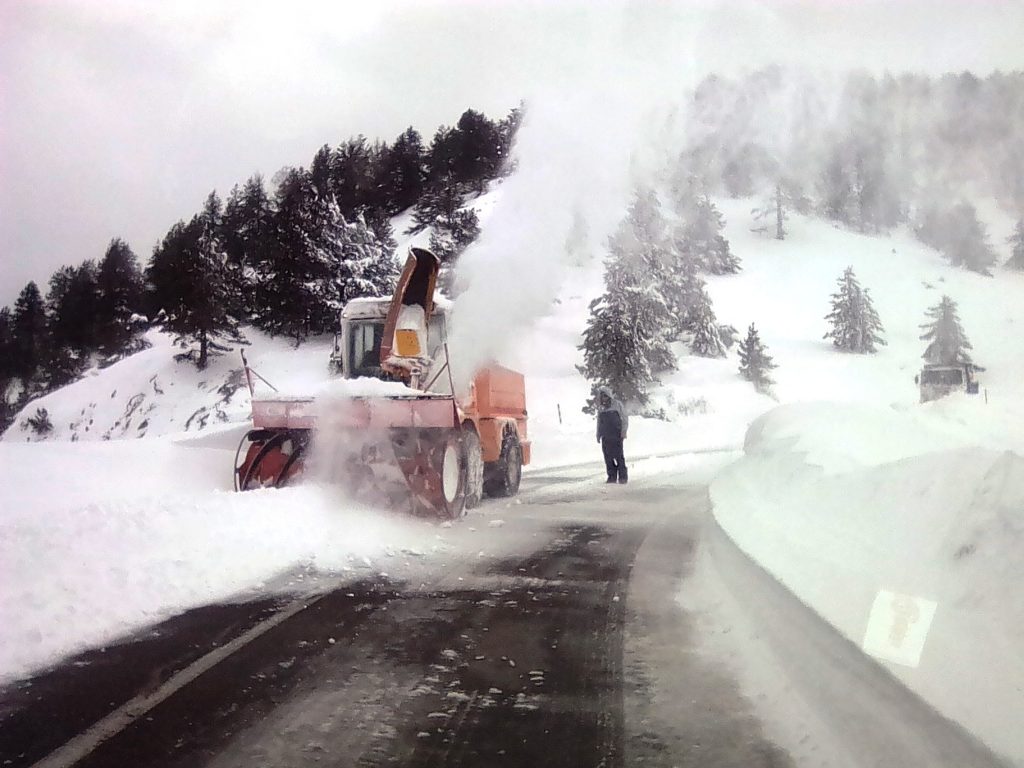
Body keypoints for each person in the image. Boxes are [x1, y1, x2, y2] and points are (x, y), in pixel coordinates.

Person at [595, 385, 628, 484]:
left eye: (604, 396)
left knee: (618, 456)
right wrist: (598, 434)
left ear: (608, 396)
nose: (603, 398)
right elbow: (599, 422)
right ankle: (611, 476)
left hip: (616, 435)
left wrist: (623, 431)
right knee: (608, 457)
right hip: (605, 436)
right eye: (601, 396)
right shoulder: (601, 408)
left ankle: (623, 477)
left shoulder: (617, 405)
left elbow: (624, 418)